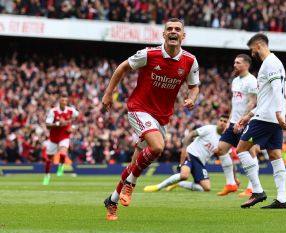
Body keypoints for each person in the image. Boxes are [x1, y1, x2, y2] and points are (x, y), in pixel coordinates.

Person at [102, 18, 200, 221]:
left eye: (177, 29)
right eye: (169, 29)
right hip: (139, 109)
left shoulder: (190, 61)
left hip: (162, 117)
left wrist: (192, 98)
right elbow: (121, 68)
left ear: (183, 35)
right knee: (157, 147)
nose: (173, 32)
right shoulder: (149, 54)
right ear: (163, 34)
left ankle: (112, 200)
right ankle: (131, 184)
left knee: (135, 162)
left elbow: (194, 85)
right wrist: (108, 93)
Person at [235, 33, 286, 209]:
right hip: (270, 116)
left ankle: (257, 191)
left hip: (267, 117)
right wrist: (249, 114)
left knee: (241, 149)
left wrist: (279, 113)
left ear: (258, 45)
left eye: (252, 49)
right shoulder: (274, 62)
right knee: (275, 155)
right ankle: (282, 199)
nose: (252, 53)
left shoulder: (270, 63)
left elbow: (276, 91)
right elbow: (267, 97)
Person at [143, 115, 229, 193]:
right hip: (191, 154)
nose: (222, 123)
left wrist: (234, 178)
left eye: (225, 122)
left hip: (201, 162)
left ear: (227, 124)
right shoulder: (209, 129)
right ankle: (158, 187)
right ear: (218, 121)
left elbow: (226, 155)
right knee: (184, 175)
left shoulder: (224, 139)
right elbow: (191, 134)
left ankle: (180, 184)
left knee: (206, 188)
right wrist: (184, 150)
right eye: (221, 120)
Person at [215, 54, 259, 197]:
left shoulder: (251, 81)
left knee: (250, 153)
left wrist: (242, 121)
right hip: (234, 122)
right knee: (221, 149)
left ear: (246, 65)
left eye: (238, 63)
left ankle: (252, 187)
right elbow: (235, 103)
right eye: (234, 62)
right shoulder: (235, 81)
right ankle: (231, 184)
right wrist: (230, 121)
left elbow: (253, 102)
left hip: (247, 122)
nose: (235, 65)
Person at [43, 93, 79, 185]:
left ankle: (61, 165)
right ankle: (47, 176)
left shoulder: (71, 111)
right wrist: (58, 124)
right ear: (59, 101)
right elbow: (47, 125)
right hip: (53, 138)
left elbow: (77, 117)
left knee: (63, 154)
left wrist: (73, 127)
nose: (64, 102)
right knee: (48, 159)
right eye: (62, 100)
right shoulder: (53, 111)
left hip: (64, 136)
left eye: (65, 100)